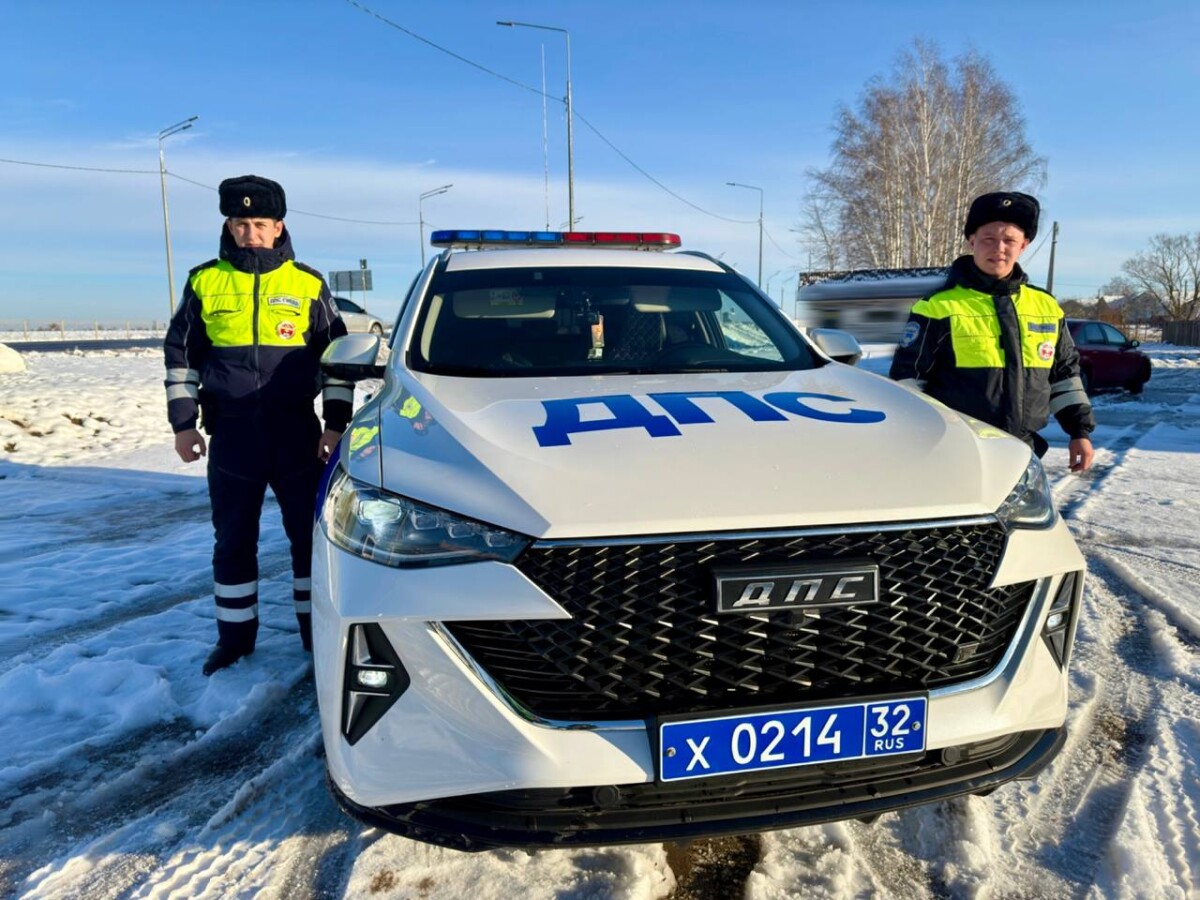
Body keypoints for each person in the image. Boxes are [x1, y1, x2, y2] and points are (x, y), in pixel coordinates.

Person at [163, 174, 353, 675]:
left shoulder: (307, 284)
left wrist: (335, 425)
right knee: (232, 541)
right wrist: (184, 424)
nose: (250, 232)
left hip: (296, 434)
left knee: (309, 541)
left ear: (278, 227)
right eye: (240, 223)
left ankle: (318, 637)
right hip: (233, 434)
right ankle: (235, 638)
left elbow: (336, 362)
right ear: (229, 224)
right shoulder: (204, 281)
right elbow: (180, 359)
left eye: (259, 223)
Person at [889, 191, 1095, 472]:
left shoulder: (1046, 307)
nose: (999, 247)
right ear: (972, 241)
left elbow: (1064, 378)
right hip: (957, 453)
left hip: (1024, 453)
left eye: (1009, 240)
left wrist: (1079, 433)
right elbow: (907, 383)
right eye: (988, 238)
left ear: (1024, 245)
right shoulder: (937, 307)